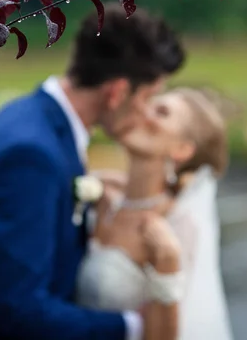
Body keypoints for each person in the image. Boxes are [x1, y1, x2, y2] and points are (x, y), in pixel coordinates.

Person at [0, 3, 186, 340]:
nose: (146, 114)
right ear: (117, 93)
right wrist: (134, 326)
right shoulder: (29, 156)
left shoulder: (31, 121)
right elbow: (21, 311)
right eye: (148, 97)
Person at [81, 87, 234, 340]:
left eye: (161, 112)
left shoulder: (178, 226)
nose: (142, 111)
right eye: (147, 103)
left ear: (182, 149)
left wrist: (167, 262)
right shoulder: (104, 198)